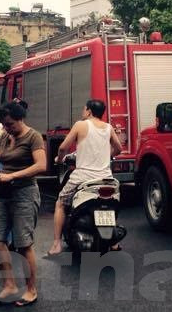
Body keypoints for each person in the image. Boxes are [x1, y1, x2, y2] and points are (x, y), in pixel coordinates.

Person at [0, 102, 45, 306]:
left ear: (20, 119)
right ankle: (10, 285)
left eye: (10, 124)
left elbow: (41, 165)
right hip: (3, 194)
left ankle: (31, 289)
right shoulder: (5, 136)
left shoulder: (33, 137)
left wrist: (12, 175)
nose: (7, 128)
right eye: (4, 124)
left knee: (24, 244)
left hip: (25, 193)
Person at [48, 99, 122, 256]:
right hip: (106, 179)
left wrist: (59, 159)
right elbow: (119, 148)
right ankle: (114, 242)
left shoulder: (81, 125)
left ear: (88, 111)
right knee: (109, 203)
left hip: (83, 178)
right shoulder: (108, 128)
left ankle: (56, 243)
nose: (83, 112)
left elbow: (63, 147)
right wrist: (108, 156)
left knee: (61, 203)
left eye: (84, 109)